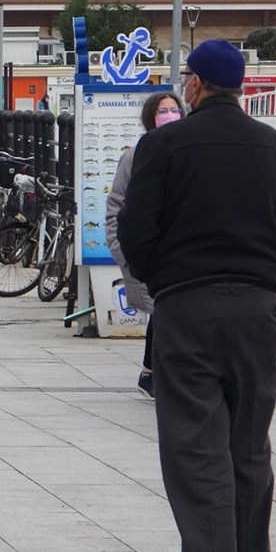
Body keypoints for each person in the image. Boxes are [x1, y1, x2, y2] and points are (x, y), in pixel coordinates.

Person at [118, 39, 276, 551]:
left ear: (196, 84)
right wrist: (266, 277)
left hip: (187, 307)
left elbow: (135, 229)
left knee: (195, 445)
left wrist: (162, 279)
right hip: (257, 310)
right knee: (249, 444)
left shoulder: (161, 146)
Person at [104, 92, 185, 400]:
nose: (169, 115)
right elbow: (118, 206)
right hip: (150, 255)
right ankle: (154, 373)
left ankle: (156, 373)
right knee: (162, 314)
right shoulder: (136, 155)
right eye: (163, 110)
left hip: (179, 253)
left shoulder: (188, 150)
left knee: (167, 316)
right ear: (150, 116)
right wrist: (121, 249)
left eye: (174, 110)